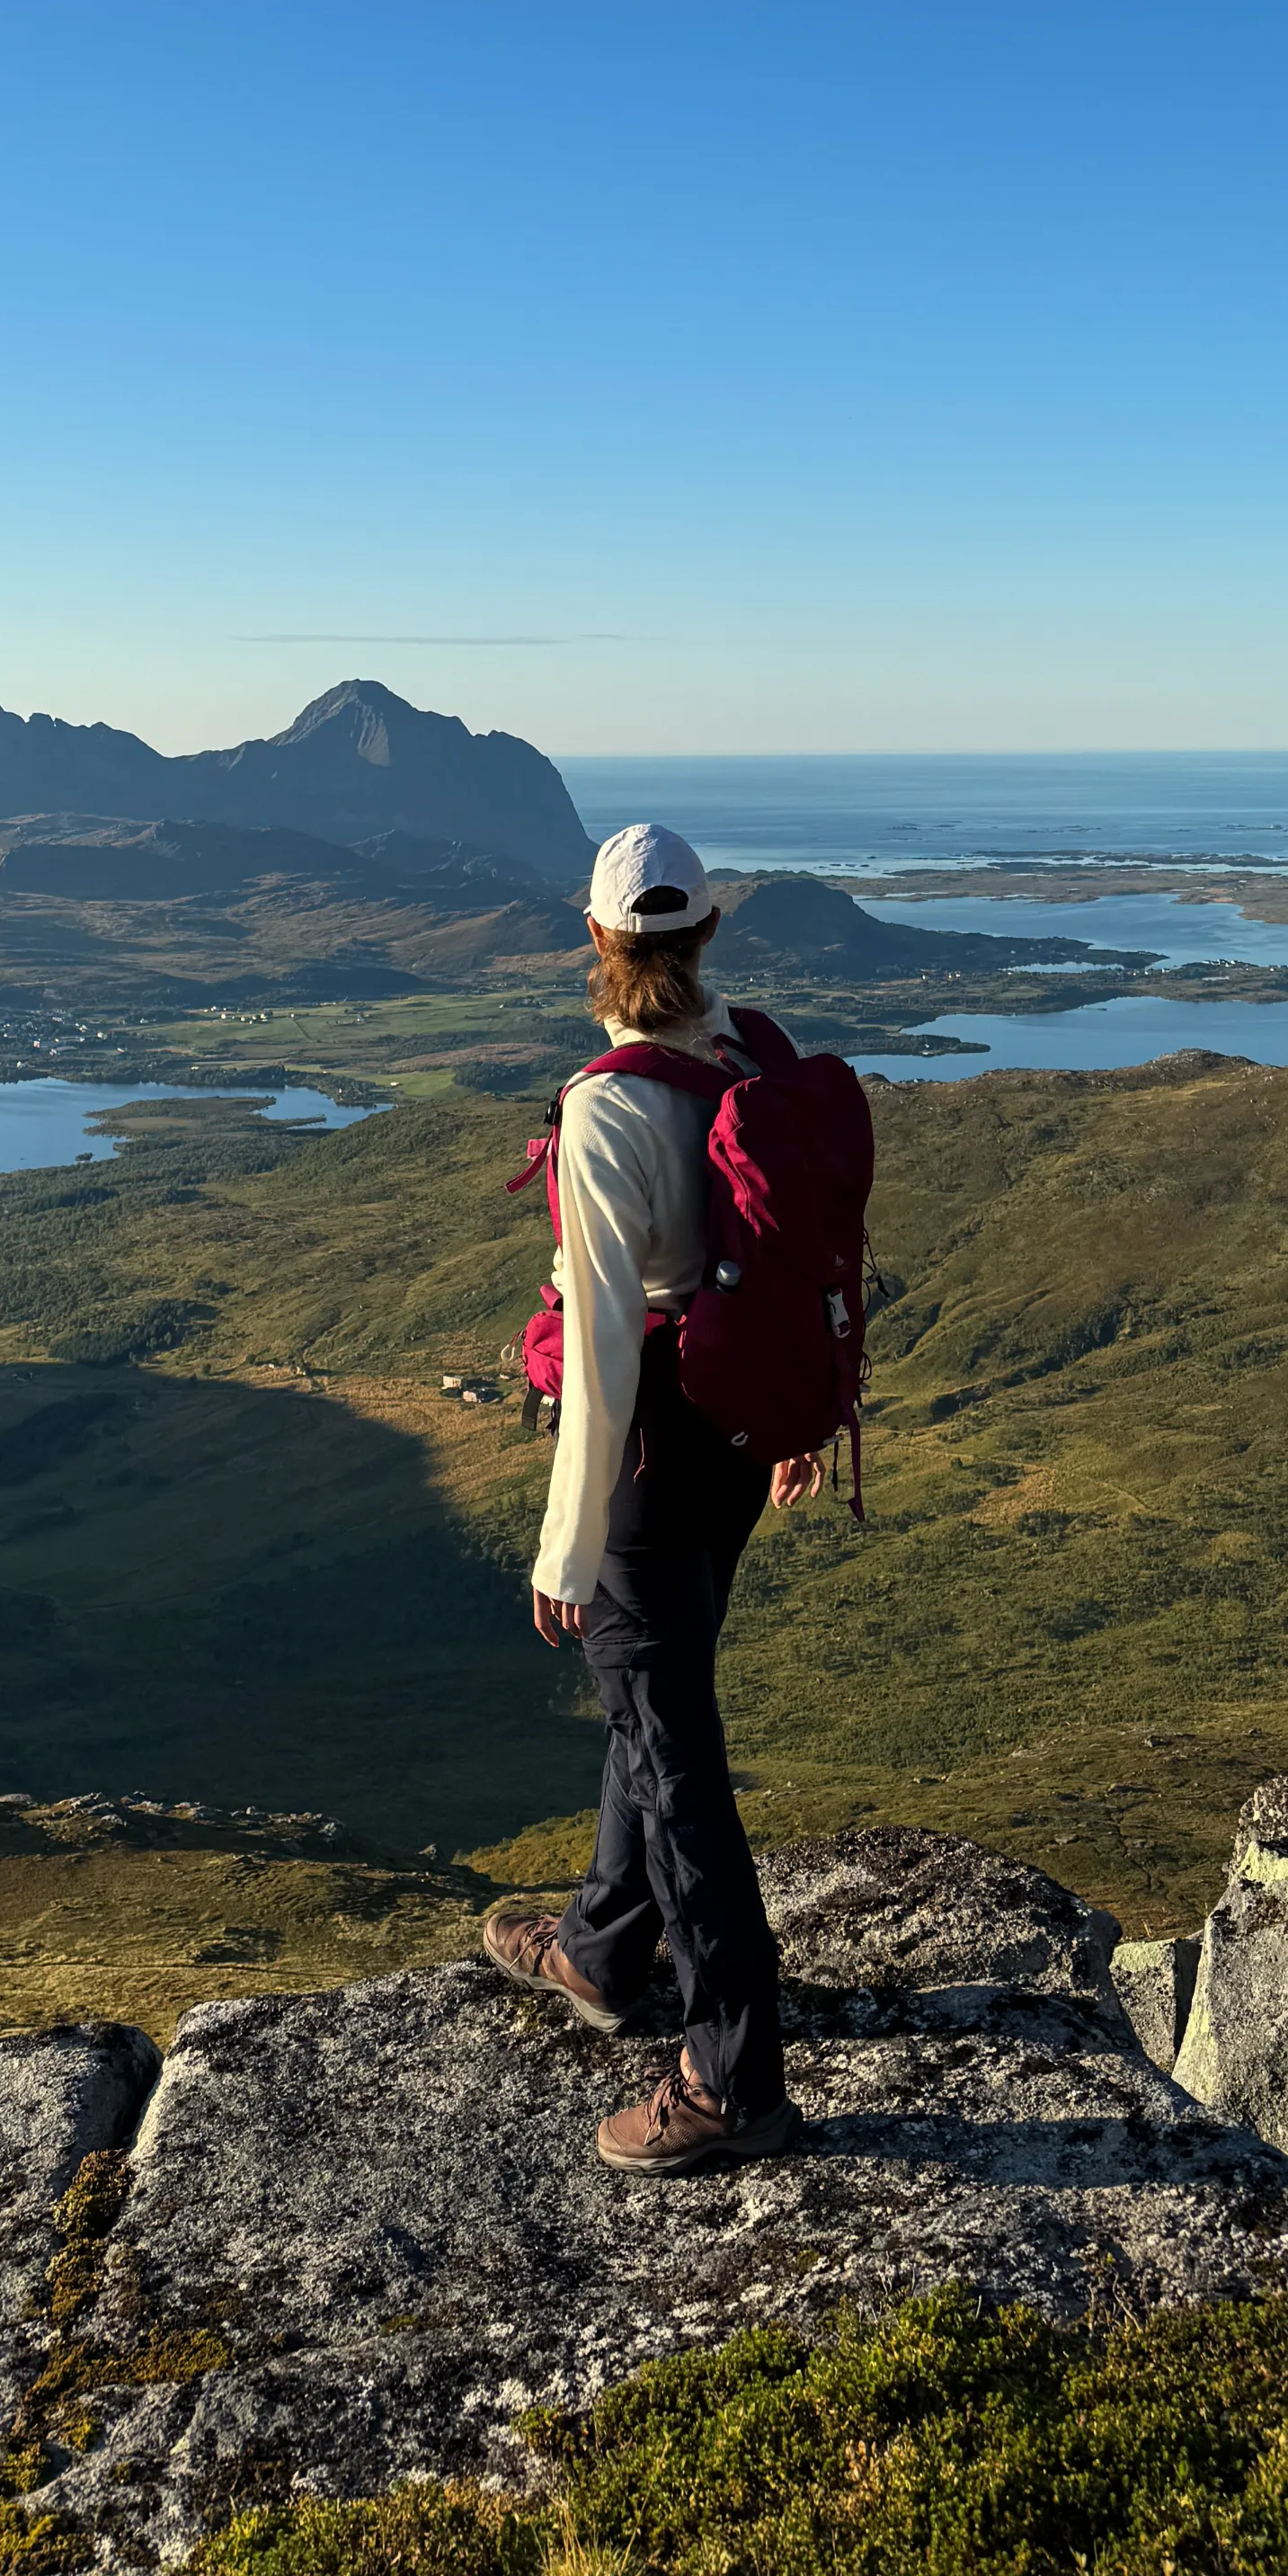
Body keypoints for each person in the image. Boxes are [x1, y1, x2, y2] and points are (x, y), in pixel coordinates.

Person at [481, 822, 821, 2171]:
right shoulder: (754, 1062)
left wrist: (566, 1548)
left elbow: (609, 1348)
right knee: (655, 1699)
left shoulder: (607, 1108)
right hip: (737, 1442)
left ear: (597, 943)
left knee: (676, 1754)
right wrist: (806, 1416)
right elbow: (808, 1267)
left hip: (652, 1457)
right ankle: (601, 1954)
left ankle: (733, 2074)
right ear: (709, 938)